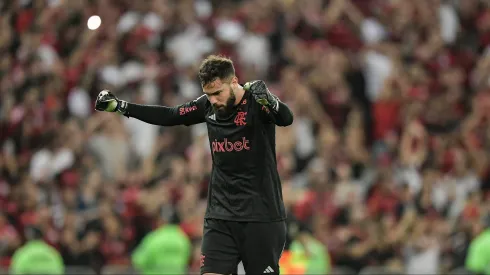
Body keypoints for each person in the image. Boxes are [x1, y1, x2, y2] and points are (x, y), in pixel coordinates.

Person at [95, 55, 294, 275]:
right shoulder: (207, 106)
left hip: (261, 216)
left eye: (218, 93)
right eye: (209, 94)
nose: (214, 100)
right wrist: (120, 106)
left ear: (234, 81)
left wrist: (270, 99)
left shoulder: (256, 102)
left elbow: (286, 118)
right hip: (220, 216)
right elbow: (170, 116)